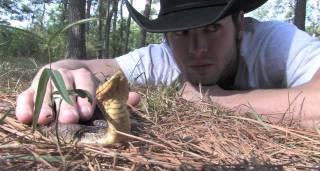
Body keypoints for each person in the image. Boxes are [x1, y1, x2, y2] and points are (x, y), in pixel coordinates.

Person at [16, 0, 320, 129]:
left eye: (212, 29)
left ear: (239, 25)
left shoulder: (276, 42)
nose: (197, 49)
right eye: (182, 32)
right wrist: (54, 72)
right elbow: (86, 64)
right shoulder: (163, 58)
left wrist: (211, 99)